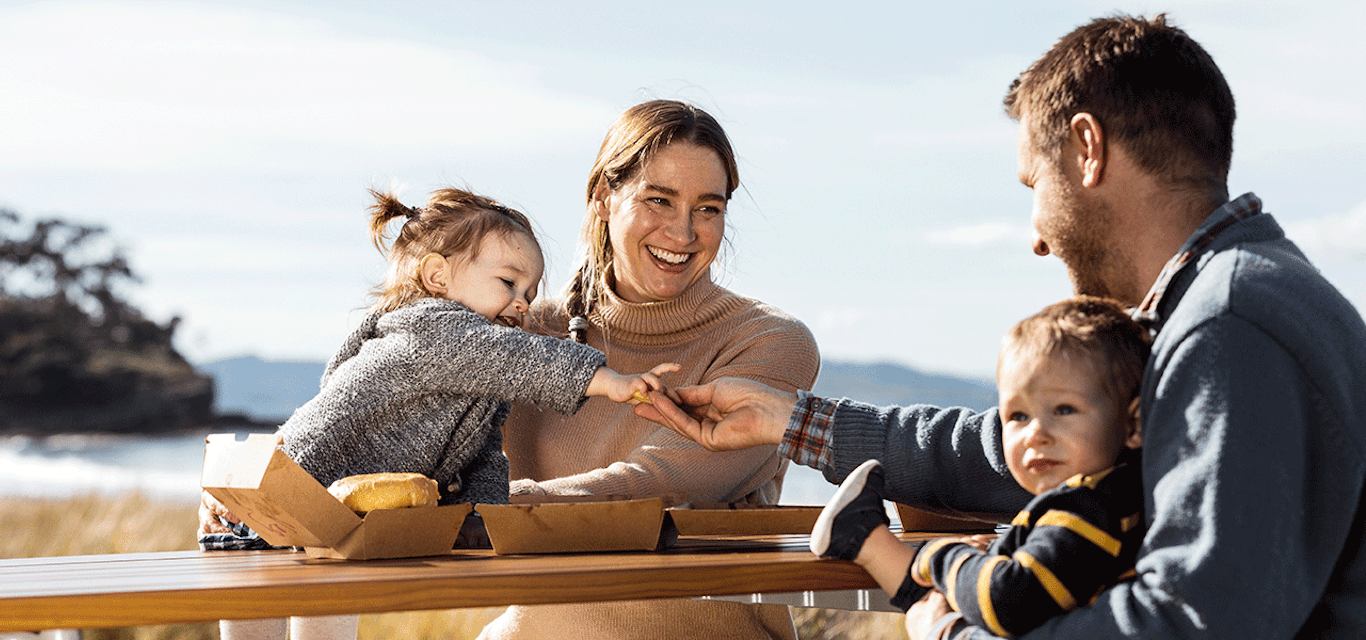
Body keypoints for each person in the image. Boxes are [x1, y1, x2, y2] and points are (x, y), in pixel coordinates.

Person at [638, 14, 1366, 639]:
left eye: (1032, 186)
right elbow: (997, 452)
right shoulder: (1216, 305)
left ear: (1087, 149)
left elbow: (1189, 622)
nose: (1037, 238)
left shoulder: (1230, 329)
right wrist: (792, 421)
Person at [198, 186, 677, 640]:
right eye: (508, 282)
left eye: (530, 293)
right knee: (254, 618)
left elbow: (486, 454)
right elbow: (520, 357)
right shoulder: (438, 331)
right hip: (278, 493)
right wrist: (610, 382)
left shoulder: (476, 371)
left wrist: (480, 517)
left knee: (327, 612)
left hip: (332, 522)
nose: (521, 303)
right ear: (438, 277)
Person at [478, 100, 821, 640]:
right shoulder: (522, 332)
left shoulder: (769, 341)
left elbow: (657, 484)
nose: (683, 232)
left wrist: (489, 506)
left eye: (708, 208)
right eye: (658, 200)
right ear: (602, 200)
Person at [812, 297, 1148, 637]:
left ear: (1132, 425)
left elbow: (1010, 600)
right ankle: (860, 534)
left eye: (1063, 409)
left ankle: (864, 537)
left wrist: (943, 555)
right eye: (1018, 416)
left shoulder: (1090, 509)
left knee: (940, 582)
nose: (1036, 434)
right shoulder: (1101, 500)